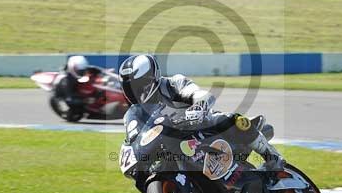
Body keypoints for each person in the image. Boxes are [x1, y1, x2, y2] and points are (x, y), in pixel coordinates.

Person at [118, 54, 284, 171]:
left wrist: (198, 106)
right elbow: (133, 137)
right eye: (129, 88)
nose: (134, 92)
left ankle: (273, 157)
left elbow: (199, 94)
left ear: (151, 79)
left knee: (234, 120)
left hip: (201, 127)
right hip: (171, 144)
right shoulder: (133, 113)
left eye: (138, 86)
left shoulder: (172, 84)